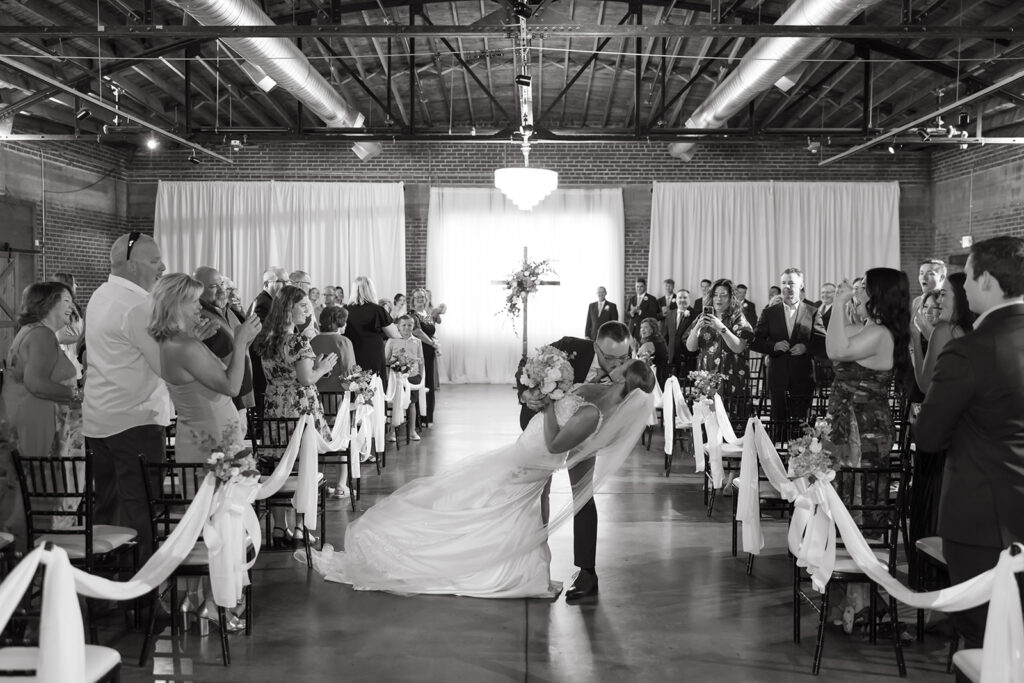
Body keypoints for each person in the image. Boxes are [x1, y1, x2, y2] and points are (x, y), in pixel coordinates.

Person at [301, 360, 655, 598]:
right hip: (523, 451)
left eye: (621, 365)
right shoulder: (594, 392)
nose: (615, 365)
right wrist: (547, 394)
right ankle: (524, 571)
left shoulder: (594, 414)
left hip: (530, 462)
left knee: (482, 503)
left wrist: (548, 405)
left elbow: (556, 443)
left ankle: (511, 572)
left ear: (624, 379)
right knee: (477, 498)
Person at [916, 236, 1024, 650]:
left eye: (971, 277)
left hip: (984, 524)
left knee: (983, 644)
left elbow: (928, 437)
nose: (964, 288)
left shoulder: (970, 351)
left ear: (989, 281)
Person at [518, 320, 633, 602]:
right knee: (535, 493)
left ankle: (587, 572)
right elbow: (527, 367)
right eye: (608, 358)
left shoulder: (629, 370)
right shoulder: (570, 347)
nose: (616, 365)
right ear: (595, 345)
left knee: (582, 494)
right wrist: (527, 393)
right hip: (543, 424)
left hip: (587, 432)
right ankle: (533, 564)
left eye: (622, 358)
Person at [826, 267, 910, 633]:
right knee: (845, 503)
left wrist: (839, 302)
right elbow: (839, 343)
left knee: (859, 504)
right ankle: (854, 595)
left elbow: (835, 348)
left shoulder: (879, 333)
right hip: (849, 424)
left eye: (862, 287)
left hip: (863, 430)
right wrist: (844, 308)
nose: (856, 291)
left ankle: (863, 597)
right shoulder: (869, 329)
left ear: (878, 294)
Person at [83, 232, 171, 560]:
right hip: (136, 423)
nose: (162, 266)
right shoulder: (139, 305)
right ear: (132, 267)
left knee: (108, 510)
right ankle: (143, 597)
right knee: (142, 512)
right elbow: (165, 365)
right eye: (154, 261)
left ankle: (105, 593)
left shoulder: (100, 295)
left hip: (99, 421)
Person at [1, 282, 84, 547]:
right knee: (42, 487)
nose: (71, 307)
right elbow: (36, 382)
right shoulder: (42, 335)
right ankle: (43, 556)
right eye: (66, 301)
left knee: (29, 488)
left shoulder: (32, 331)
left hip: (29, 418)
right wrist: (76, 395)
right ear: (46, 304)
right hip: (41, 423)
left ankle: (28, 554)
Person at [253, 285, 338, 542]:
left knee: (280, 465)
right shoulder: (297, 341)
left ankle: (280, 527)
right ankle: (301, 525)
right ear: (288, 308)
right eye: (302, 305)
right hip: (299, 408)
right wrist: (322, 367)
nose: (308, 309)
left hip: (275, 406)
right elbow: (305, 378)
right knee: (304, 465)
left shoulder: (266, 339)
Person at [152, 273, 260, 463]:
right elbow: (232, 387)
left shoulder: (171, 342)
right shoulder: (186, 347)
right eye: (194, 301)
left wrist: (196, 341)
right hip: (213, 440)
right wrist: (240, 342)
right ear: (176, 305)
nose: (200, 306)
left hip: (201, 434)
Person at [908, 273, 975, 549]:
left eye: (945, 293)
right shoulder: (969, 331)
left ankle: (927, 561)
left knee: (932, 494)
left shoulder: (944, 329)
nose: (939, 298)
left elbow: (926, 384)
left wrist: (915, 339)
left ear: (960, 297)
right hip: (965, 432)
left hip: (940, 427)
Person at [751, 268, 826, 440]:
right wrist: (773, 346)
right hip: (778, 376)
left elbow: (822, 341)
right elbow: (755, 341)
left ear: (801, 285)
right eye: (784, 283)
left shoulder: (813, 312)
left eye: (791, 282)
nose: (786, 286)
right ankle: (778, 462)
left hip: (803, 376)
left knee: (802, 424)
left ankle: (801, 463)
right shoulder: (769, 312)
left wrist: (806, 348)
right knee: (779, 422)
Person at [193, 267, 254, 426]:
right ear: (197, 289)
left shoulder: (218, 312)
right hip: (222, 400)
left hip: (234, 397)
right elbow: (221, 363)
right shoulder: (203, 320)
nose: (222, 290)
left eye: (222, 284)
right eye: (214, 287)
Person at [684, 278, 752, 400]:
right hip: (706, 377)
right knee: (706, 415)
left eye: (723, 295)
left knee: (730, 416)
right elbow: (690, 348)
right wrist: (697, 327)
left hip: (731, 377)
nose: (718, 299)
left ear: (731, 297)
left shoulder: (737, 317)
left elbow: (739, 347)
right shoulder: (703, 316)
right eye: (715, 295)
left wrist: (720, 327)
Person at [344, 276, 399, 391]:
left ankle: (357, 409)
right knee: (374, 385)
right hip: (373, 353)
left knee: (356, 386)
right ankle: (376, 408)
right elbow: (394, 334)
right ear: (371, 290)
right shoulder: (377, 310)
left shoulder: (345, 309)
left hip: (353, 352)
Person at [385, 314, 426, 442]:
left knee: (412, 404)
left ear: (413, 326)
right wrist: (394, 362)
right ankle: (392, 431)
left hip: (413, 376)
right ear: (398, 326)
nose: (407, 328)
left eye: (410, 325)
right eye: (404, 325)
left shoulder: (417, 341)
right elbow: (386, 359)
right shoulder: (392, 340)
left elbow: (421, 360)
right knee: (397, 403)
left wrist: (421, 376)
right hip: (396, 376)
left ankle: (412, 430)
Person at [409, 288, 440, 427]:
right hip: (419, 351)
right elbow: (418, 332)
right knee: (421, 381)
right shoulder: (413, 315)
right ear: (413, 300)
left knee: (429, 383)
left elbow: (431, 331)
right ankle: (419, 418)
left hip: (430, 351)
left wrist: (436, 343)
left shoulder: (427, 314)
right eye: (417, 297)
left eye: (422, 297)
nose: (420, 299)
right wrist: (432, 343)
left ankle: (428, 416)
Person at [311, 305, 357, 392]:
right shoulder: (344, 342)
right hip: (336, 393)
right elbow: (349, 372)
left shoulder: (312, 341)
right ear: (339, 322)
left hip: (314, 393)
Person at [51, 272, 84, 380]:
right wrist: (82, 339)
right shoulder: (61, 306)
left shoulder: (72, 305)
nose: (76, 286)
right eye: (74, 283)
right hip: (67, 356)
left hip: (75, 354)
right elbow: (61, 337)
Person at [664, 289, 693, 378]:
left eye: (685, 297)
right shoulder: (670, 314)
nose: (682, 300)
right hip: (671, 356)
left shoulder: (695, 314)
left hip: (687, 356)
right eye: (680, 297)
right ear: (676, 299)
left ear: (689, 299)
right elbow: (666, 335)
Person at [638, 317, 669, 388]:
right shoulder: (660, 341)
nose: (642, 330)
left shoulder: (648, 344)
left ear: (652, 330)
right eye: (641, 327)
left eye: (645, 327)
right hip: (662, 377)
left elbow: (641, 364)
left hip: (655, 380)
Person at [626, 278, 660, 342]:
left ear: (645, 287)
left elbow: (653, 315)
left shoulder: (651, 299)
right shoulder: (632, 298)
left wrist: (640, 312)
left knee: (643, 349)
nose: (639, 288)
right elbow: (626, 313)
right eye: (637, 286)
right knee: (631, 350)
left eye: (641, 286)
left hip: (644, 330)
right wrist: (631, 313)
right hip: (632, 329)